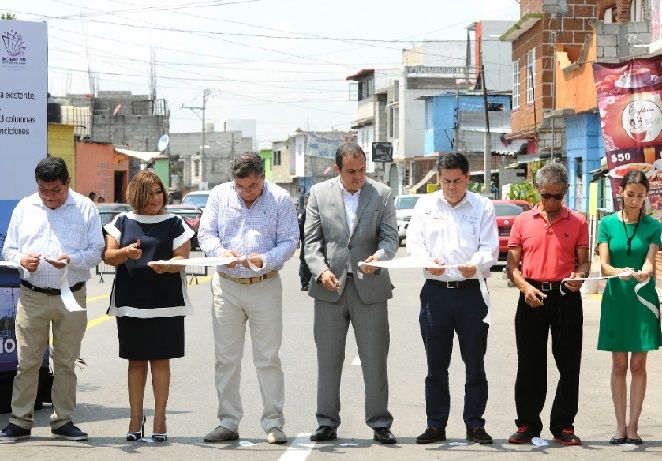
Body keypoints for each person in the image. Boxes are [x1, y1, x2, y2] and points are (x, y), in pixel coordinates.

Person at [0, 156, 104, 442]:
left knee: (66, 362)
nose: (49, 197)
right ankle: (20, 420)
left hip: (72, 295)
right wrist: (22, 259)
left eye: (55, 190)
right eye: (44, 190)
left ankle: (63, 421)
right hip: (32, 295)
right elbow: (8, 249)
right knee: (28, 362)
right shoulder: (25, 207)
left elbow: (97, 250)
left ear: (67, 183)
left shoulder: (85, 208)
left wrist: (71, 259)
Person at [198, 152, 298, 445]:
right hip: (226, 284)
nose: (245, 193)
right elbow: (206, 234)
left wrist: (264, 259)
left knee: (267, 357)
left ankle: (273, 423)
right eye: (240, 187)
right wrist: (220, 253)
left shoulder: (279, 199)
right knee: (226, 358)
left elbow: (291, 240)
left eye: (252, 187)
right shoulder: (219, 195)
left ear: (262, 178)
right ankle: (227, 422)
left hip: (264, 284)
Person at [304, 142, 399, 444]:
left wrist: (380, 258)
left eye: (362, 170)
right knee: (328, 359)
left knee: (375, 358)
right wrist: (321, 271)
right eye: (351, 172)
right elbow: (311, 242)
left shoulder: (381, 194)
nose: (358, 176)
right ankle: (327, 422)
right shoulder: (319, 194)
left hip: (370, 287)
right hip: (329, 288)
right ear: (337, 170)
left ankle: (380, 422)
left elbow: (390, 237)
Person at [406, 152, 498, 445]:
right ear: (438, 179)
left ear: (468, 178)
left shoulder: (482, 206)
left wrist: (477, 263)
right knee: (436, 365)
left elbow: (490, 248)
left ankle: (474, 424)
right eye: (445, 181)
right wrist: (425, 260)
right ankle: (436, 425)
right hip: (436, 294)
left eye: (457, 181)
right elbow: (414, 243)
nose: (451, 187)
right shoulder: (426, 205)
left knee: (475, 363)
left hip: (472, 293)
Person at [102, 170, 194, 442]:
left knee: (161, 361)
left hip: (167, 303)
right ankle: (135, 417)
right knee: (136, 361)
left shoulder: (175, 222)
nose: (156, 198)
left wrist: (167, 266)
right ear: (136, 195)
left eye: (158, 191)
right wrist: (125, 253)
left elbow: (183, 257)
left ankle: (160, 418)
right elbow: (109, 257)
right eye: (150, 193)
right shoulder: (122, 221)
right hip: (131, 302)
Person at [506, 162, 589, 445]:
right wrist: (524, 287)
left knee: (569, 363)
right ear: (537, 190)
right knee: (530, 363)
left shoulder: (578, 222)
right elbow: (512, 266)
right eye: (546, 195)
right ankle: (527, 423)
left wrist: (579, 277)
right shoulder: (523, 221)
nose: (552, 201)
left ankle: (563, 424)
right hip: (531, 296)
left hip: (565, 296)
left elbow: (584, 262)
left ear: (565, 191)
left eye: (558, 196)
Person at [597, 171, 661, 445]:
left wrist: (645, 273)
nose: (635, 200)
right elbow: (604, 265)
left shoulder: (652, 226)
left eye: (640, 195)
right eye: (630, 194)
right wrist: (618, 271)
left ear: (646, 196)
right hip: (616, 298)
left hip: (641, 300)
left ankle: (634, 427)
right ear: (621, 191)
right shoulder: (607, 224)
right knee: (619, 364)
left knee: (638, 364)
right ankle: (619, 426)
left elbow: (649, 260)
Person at [298, 196, 312, 291]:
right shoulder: (305, 212)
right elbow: (300, 226)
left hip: (307, 241)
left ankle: (306, 283)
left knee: (305, 262)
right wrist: (301, 240)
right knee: (305, 262)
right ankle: (305, 283)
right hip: (307, 241)